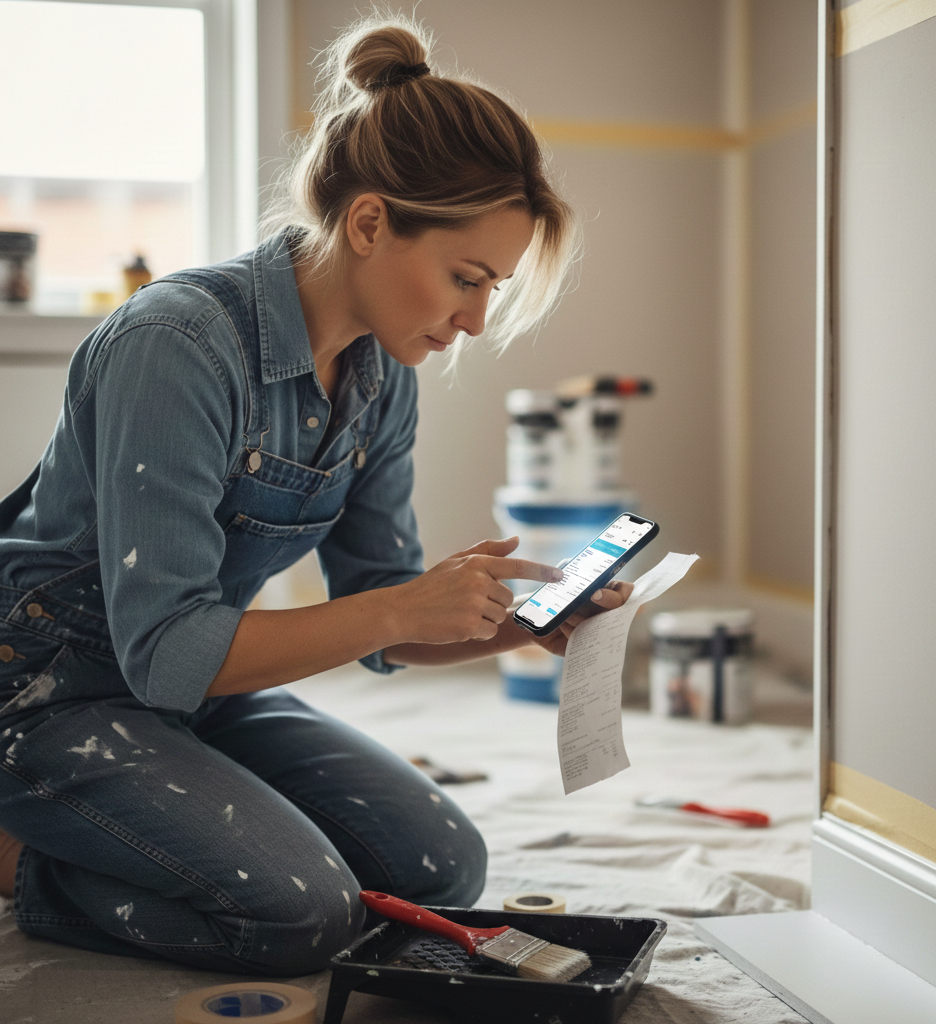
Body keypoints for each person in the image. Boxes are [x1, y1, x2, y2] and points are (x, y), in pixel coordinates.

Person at [0, 15, 630, 976]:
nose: (475, 319)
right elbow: (170, 650)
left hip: (187, 694)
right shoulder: (177, 346)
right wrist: (397, 605)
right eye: (466, 278)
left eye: (492, 286)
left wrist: (516, 620)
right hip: (42, 693)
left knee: (440, 865)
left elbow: (379, 596)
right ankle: (15, 858)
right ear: (371, 221)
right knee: (300, 917)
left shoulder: (382, 379)